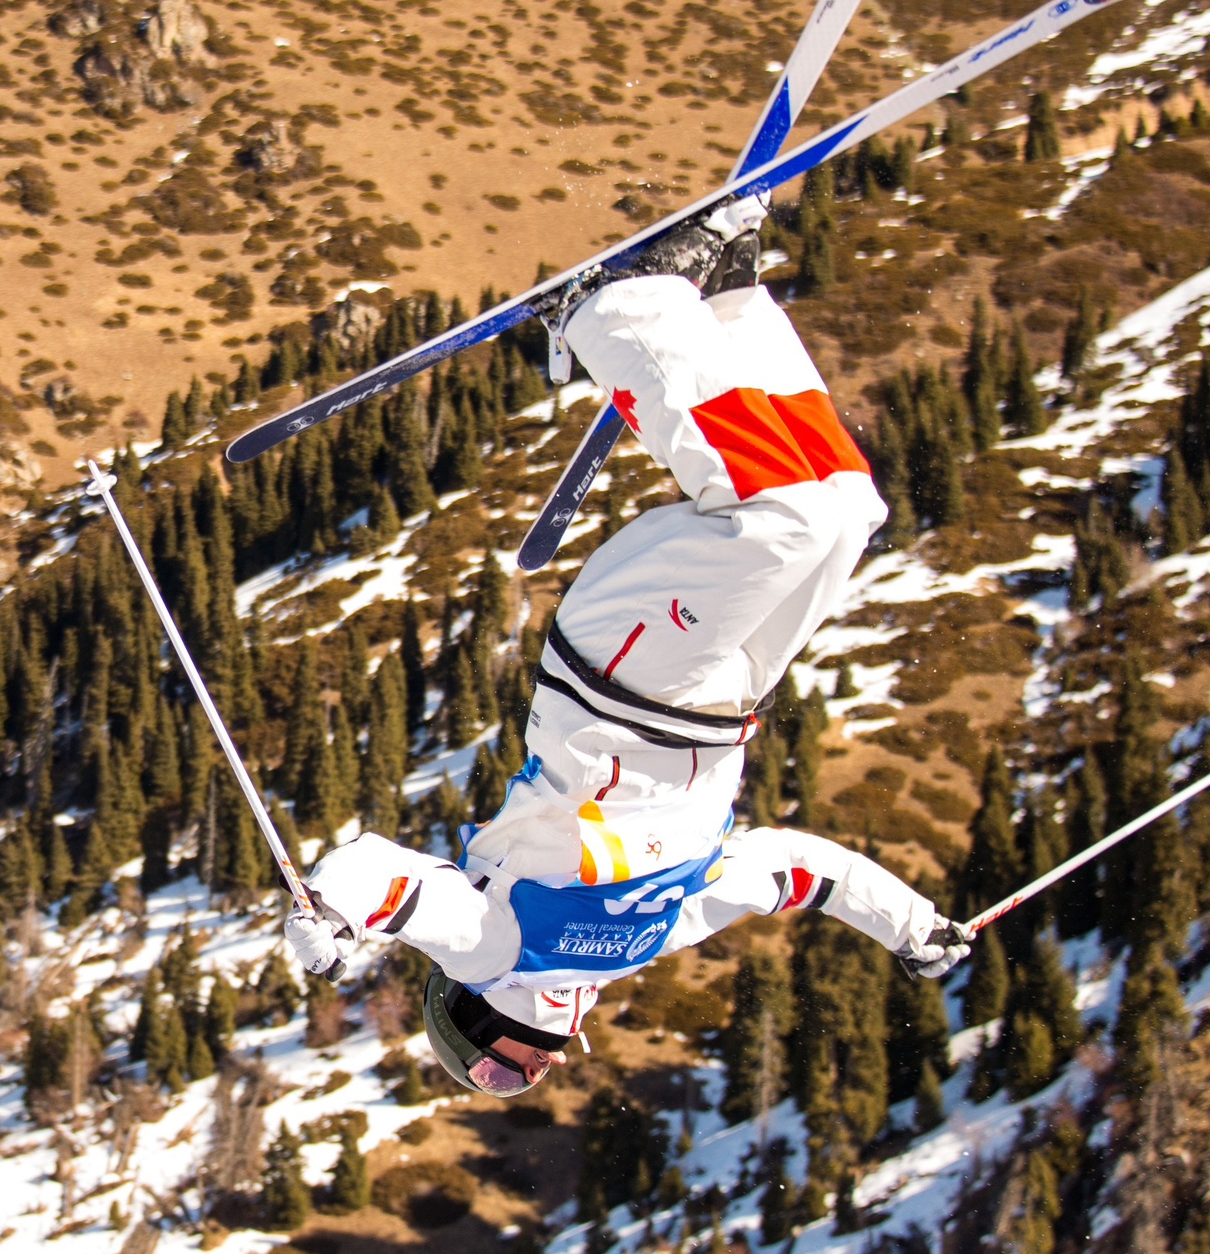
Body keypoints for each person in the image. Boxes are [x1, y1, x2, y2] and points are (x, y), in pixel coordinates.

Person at [284, 272, 972, 1095]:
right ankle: (727, 306)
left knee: (781, 519)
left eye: (499, 1077)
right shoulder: (646, 937)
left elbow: (389, 879)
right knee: (843, 517)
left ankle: (607, 311)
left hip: (619, 684)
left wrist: (329, 912)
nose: (532, 1075)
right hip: (721, 701)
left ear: (470, 1021)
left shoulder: (496, 950)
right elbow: (793, 870)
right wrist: (913, 929)